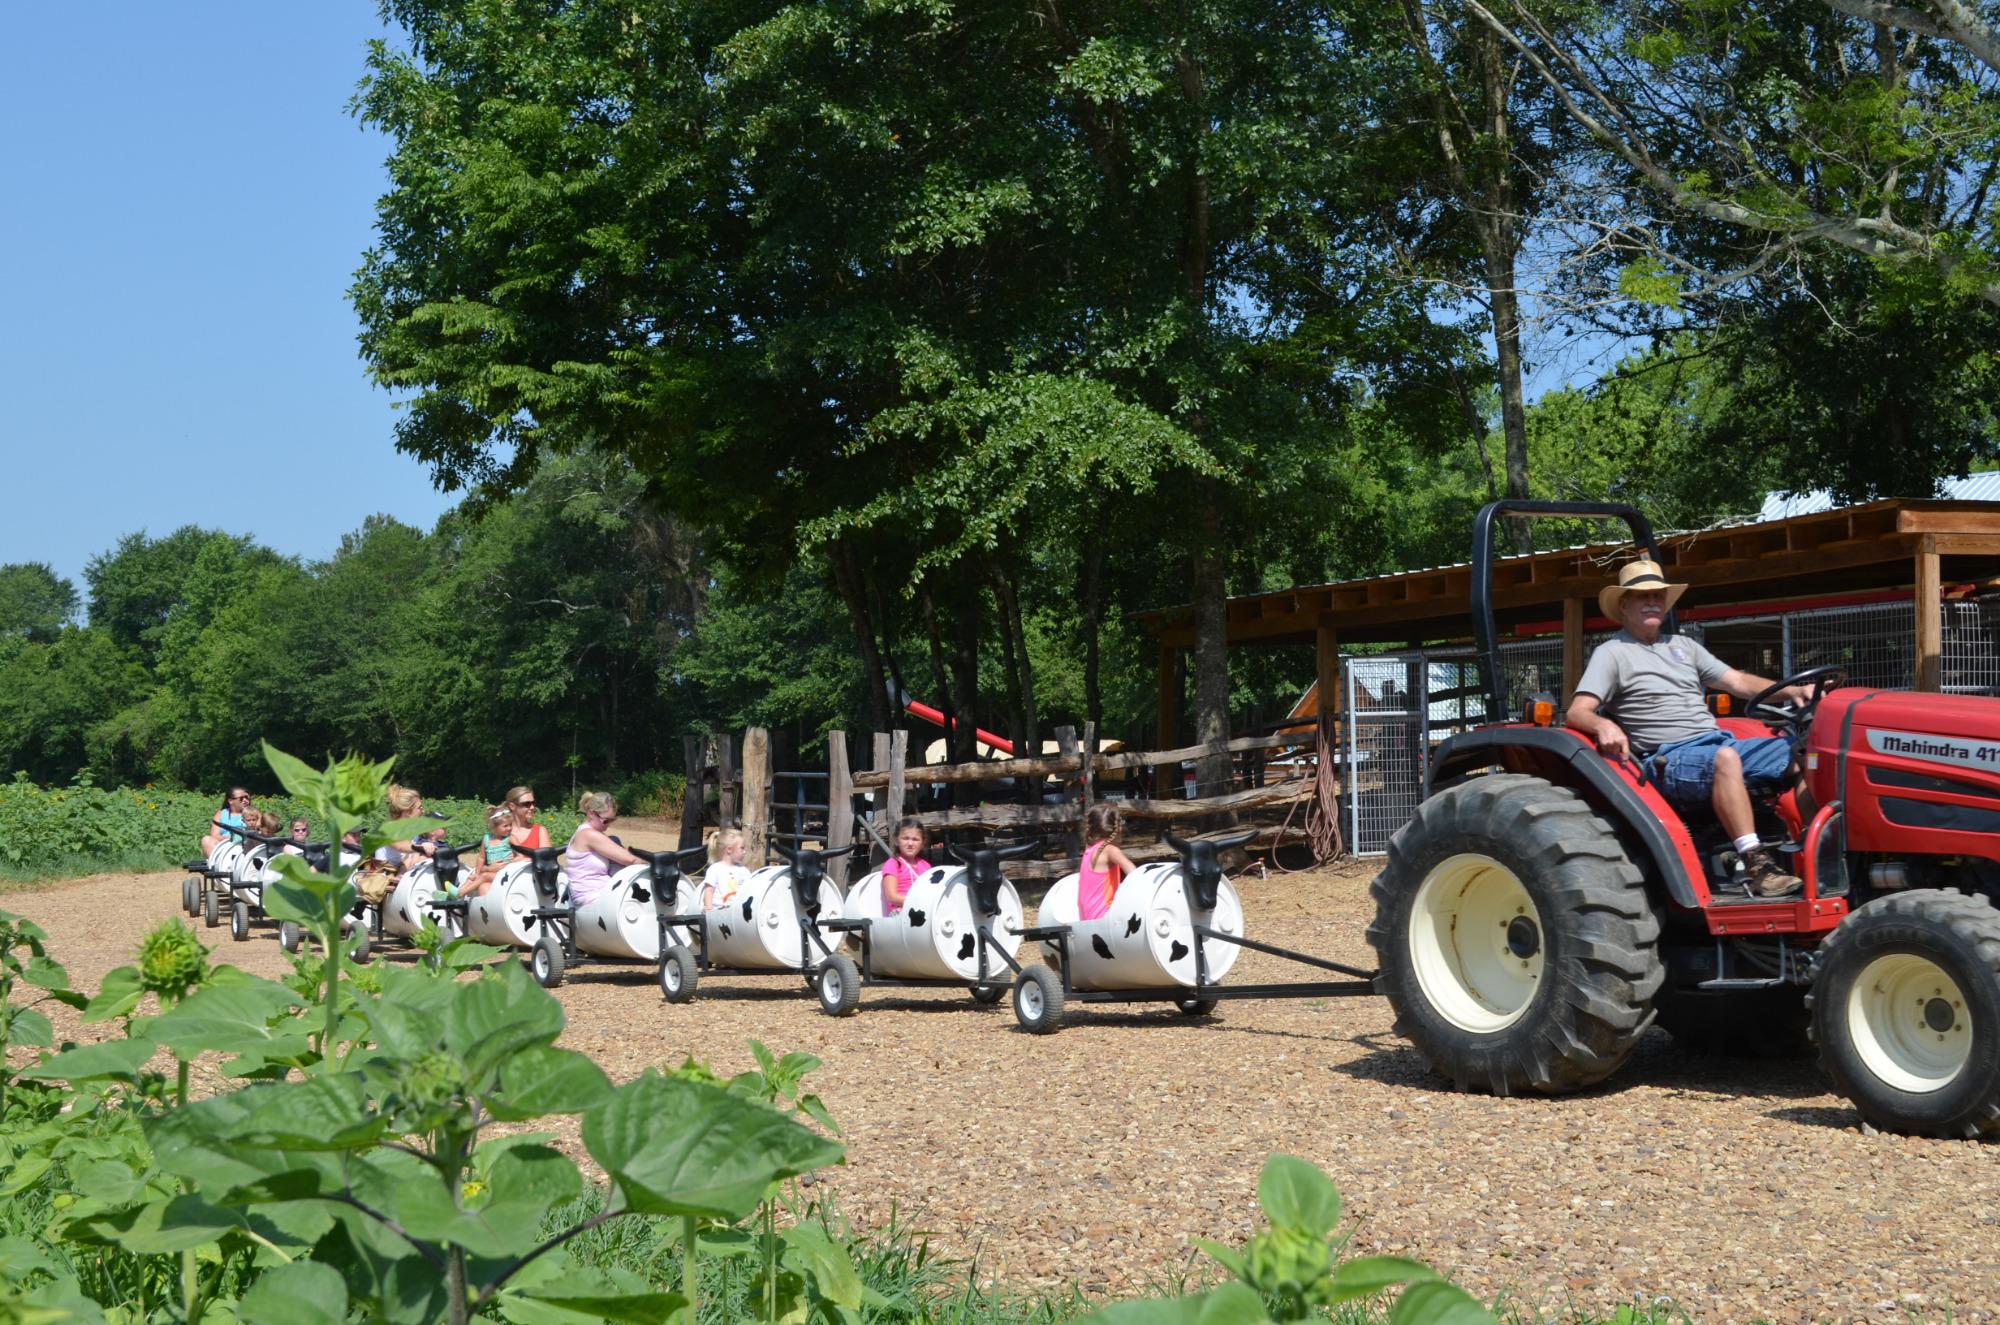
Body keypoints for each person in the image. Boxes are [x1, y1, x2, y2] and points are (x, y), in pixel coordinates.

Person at [1566, 558, 1812, 898]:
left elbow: (1738, 681)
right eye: (1642, 596)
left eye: (1658, 596)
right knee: (1725, 759)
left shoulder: (1684, 647)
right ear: (1624, 604)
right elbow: (1578, 712)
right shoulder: (1612, 653)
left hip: (1716, 743)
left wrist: (1795, 691)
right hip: (1668, 760)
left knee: (1809, 752)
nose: (1653, 602)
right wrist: (1603, 724)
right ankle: (1756, 865)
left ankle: (1820, 851)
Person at [565, 791, 641, 909]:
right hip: (590, 896)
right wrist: (656, 860)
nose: (609, 824)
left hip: (599, 892)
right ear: (591, 814)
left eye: (612, 820)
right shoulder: (588, 834)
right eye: (606, 820)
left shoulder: (590, 832)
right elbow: (630, 859)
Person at [1078, 802, 1138, 921]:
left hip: (1086, 918)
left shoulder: (1089, 850)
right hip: (1105, 917)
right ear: (1117, 828)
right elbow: (1135, 874)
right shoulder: (1110, 850)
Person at [880, 818, 931, 916]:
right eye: (905, 838)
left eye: (915, 839)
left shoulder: (926, 865)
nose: (910, 844)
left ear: (922, 843)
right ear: (896, 841)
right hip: (901, 912)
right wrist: (918, 903)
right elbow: (892, 896)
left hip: (924, 909)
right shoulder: (892, 864)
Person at [466, 805, 515, 897]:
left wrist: (511, 861)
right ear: (494, 827)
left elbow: (517, 855)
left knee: (483, 876)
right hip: (491, 871)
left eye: (510, 825)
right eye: (505, 826)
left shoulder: (510, 839)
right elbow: (481, 857)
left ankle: (461, 892)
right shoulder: (487, 839)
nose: (509, 828)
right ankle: (457, 892)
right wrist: (477, 872)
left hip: (504, 873)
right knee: (471, 878)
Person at [701, 828, 753, 910]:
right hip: (719, 912)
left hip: (739, 912)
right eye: (742, 848)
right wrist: (708, 906)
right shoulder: (715, 869)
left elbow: (749, 891)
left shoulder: (744, 871)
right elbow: (709, 890)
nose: (744, 852)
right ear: (729, 849)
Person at [200, 787, 253, 855]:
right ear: (230, 801)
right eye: (241, 798)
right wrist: (231, 839)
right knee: (206, 840)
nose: (245, 800)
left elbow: (257, 832)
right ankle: (217, 864)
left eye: (247, 797)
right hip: (224, 847)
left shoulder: (253, 813)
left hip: (244, 846)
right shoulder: (221, 813)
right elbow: (214, 835)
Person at [504, 786, 551, 856]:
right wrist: (489, 867)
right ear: (512, 806)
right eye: (527, 804)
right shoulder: (500, 832)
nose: (532, 807)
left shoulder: (540, 831)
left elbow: (547, 861)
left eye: (533, 803)